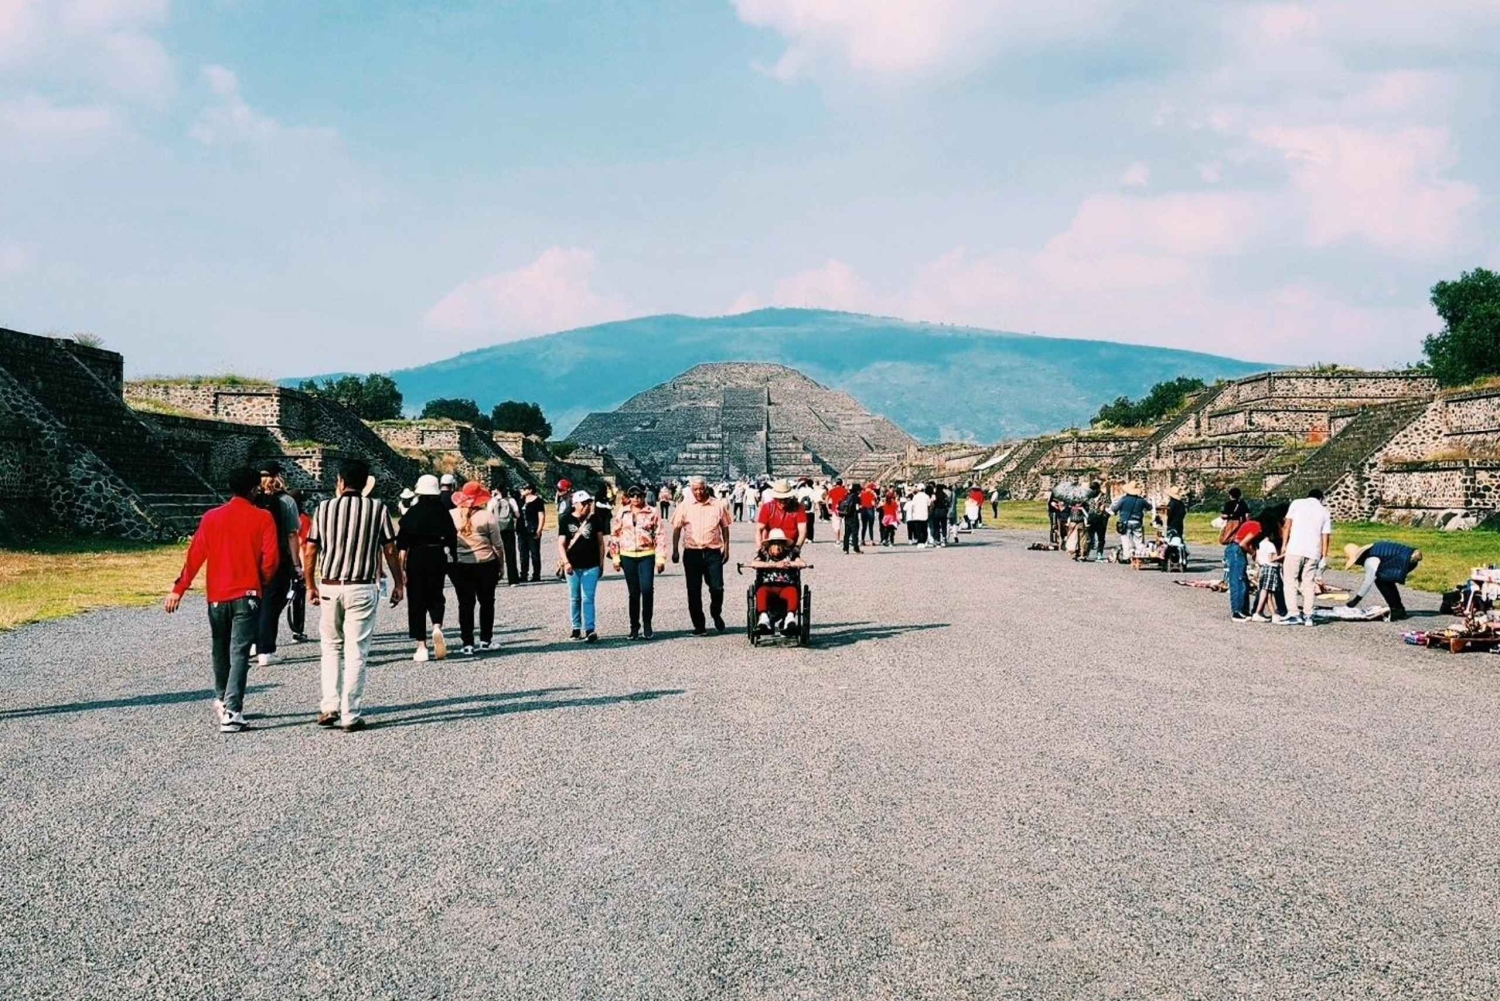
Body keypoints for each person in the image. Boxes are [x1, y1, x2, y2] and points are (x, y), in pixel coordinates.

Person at [165, 465, 280, 734]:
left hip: (217, 595)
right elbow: (271, 559)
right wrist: (261, 580)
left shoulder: (211, 517)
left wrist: (178, 589)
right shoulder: (262, 518)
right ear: (254, 489)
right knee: (239, 651)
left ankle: (221, 697)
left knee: (219, 648)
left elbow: (194, 556)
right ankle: (232, 709)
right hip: (248, 593)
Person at [303, 458, 404, 732]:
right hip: (362, 585)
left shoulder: (323, 509)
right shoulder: (377, 508)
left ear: (340, 481)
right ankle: (350, 713)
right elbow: (390, 550)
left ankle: (329, 704)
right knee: (356, 650)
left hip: (330, 584)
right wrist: (399, 582)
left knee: (331, 647)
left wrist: (310, 584)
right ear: (364, 484)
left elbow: (310, 549)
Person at [398, 474, 458, 662]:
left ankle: (421, 646)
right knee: (436, 595)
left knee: (416, 601)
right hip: (437, 555)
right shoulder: (442, 511)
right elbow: (452, 536)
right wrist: (452, 558)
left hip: (416, 556)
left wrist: (401, 571)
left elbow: (401, 545)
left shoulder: (412, 513)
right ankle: (437, 626)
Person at [253, 460, 302, 667]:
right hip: (277, 558)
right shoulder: (286, 501)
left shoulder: (252, 500)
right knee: (272, 605)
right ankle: (266, 649)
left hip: (253, 557)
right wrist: (296, 564)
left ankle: (253, 643)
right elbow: (292, 535)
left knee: (254, 602)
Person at [672, 475, 733, 634]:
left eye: (701, 488)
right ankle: (699, 625)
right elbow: (677, 529)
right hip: (692, 552)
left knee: (717, 587)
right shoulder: (684, 506)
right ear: (691, 489)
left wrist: (726, 548)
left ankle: (716, 612)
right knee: (693, 589)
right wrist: (675, 550)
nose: (698, 492)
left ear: (706, 487)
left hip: (713, 552)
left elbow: (725, 528)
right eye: (695, 489)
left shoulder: (718, 505)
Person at [450, 481, 505, 655]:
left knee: (465, 604)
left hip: (460, 564)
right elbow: (497, 545)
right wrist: (501, 565)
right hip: (485, 563)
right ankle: (485, 640)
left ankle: (467, 642)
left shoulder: (452, 514)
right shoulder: (487, 516)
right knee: (487, 602)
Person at [611, 485, 669, 640]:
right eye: (632, 495)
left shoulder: (652, 512)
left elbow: (660, 535)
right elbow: (615, 535)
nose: (636, 498)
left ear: (644, 496)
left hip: (647, 554)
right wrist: (615, 557)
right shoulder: (622, 512)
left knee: (647, 589)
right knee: (634, 593)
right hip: (627, 554)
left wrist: (661, 558)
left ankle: (647, 623)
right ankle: (634, 626)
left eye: (639, 495)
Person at [558, 490, 609, 641]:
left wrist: (601, 564)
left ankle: (590, 629)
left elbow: (600, 543)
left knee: (588, 598)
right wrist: (566, 562)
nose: (587, 506)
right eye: (584, 503)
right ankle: (576, 628)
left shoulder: (595, 519)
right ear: (576, 505)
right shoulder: (566, 519)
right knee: (575, 598)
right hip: (572, 566)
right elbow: (561, 543)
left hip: (591, 565)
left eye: (589, 503)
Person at [1281, 488, 1332, 627]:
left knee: (1290, 580)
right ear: (1321, 498)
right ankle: (1308, 615)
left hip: (1295, 548)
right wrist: (1324, 555)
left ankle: (1293, 613)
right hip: (1313, 551)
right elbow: (1325, 535)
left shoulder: (1297, 503)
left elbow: (1287, 526)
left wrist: (1284, 545)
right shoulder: (1324, 511)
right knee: (1308, 583)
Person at [1345, 542, 1423, 621]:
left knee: (1381, 581)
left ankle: (1397, 609)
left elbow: (1368, 581)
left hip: (1406, 560)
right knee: (1385, 579)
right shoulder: (1374, 551)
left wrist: (1356, 600)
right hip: (1409, 556)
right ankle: (1398, 609)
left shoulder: (1370, 560)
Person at [749, 529, 806, 636]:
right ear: (769, 544)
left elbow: (802, 563)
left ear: (784, 544)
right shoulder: (764, 553)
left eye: (779, 543)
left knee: (793, 591)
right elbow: (754, 563)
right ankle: (763, 620)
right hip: (768, 586)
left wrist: (789, 563)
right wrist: (774, 565)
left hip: (786, 586)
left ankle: (790, 619)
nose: (777, 546)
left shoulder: (790, 553)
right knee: (761, 591)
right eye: (774, 543)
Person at [757, 479, 808, 550]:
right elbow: (759, 529)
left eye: (785, 498)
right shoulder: (767, 507)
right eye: (780, 499)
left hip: (791, 546)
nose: (783, 501)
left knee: (799, 561)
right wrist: (759, 547)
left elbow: (803, 531)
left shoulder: (798, 508)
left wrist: (797, 547)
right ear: (775, 497)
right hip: (770, 546)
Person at [487, 485, 521, 586]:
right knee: (511, 554)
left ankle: (495, 576)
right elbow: (518, 515)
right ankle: (513, 579)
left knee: (495, 553)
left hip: (496, 529)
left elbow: (488, 515)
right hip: (509, 529)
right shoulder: (511, 500)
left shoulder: (492, 501)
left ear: (496, 490)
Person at [1111, 482, 1151, 564]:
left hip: (1125, 521)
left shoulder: (1123, 499)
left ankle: (1127, 556)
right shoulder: (1141, 500)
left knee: (1126, 540)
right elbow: (1150, 507)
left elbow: (1114, 509)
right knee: (1138, 540)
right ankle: (1140, 555)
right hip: (1137, 521)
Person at [1249, 535, 1285, 622]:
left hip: (1263, 567)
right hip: (1271, 568)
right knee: (1266, 591)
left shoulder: (1259, 544)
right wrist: (1284, 555)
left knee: (1267, 593)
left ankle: (1272, 614)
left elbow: (1257, 559)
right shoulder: (1270, 545)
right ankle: (1258, 612)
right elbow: (1271, 559)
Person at [517, 483, 547, 583]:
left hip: (533, 529)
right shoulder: (521, 501)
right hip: (522, 530)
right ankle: (524, 574)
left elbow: (541, 516)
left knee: (534, 553)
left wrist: (539, 529)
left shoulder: (538, 501)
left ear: (530, 490)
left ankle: (536, 574)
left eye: (524, 488)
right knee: (523, 553)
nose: (522, 490)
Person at [1085, 481, 1110, 562]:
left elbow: (1110, 508)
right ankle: (1087, 552)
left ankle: (1099, 553)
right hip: (1091, 518)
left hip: (1101, 519)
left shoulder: (1105, 496)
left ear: (1098, 489)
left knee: (1101, 538)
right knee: (1089, 537)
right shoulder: (1089, 497)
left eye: (1094, 489)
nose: (1092, 491)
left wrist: (1104, 508)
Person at [827, 479, 849, 544]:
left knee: (837, 526)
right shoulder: (845, 491)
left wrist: (828, 508)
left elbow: (827, 499)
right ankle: (846, 538)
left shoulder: (831, 490)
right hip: (844, 510)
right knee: (845, 525)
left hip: (835, 509)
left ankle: (837, 539)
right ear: (841, 484)